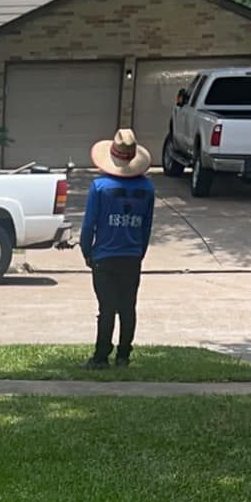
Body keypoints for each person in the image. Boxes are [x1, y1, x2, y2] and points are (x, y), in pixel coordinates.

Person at [80, 128, 155, 367]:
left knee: (107, 308)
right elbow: (146, 227)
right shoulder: (147, 189)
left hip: (104, 256)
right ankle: (123, 355)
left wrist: (87, 251)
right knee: (128, 307)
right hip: (132, 256)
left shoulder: (100, 187)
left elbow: (89, 224)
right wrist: (139, 253)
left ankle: (101, 356)